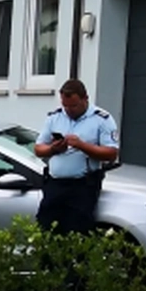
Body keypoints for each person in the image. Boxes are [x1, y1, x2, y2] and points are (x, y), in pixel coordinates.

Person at [34, 78, 119, 234]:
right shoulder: (55, 117)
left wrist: (81, 145)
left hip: (82, 187)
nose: (69, 110)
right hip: (55, 185)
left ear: (85, 99)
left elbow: (111, 153)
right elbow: (38, 149)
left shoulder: (102, 119)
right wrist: (53, 149)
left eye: (73, 105)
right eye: (65, 105)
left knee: (77, 231)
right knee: (47, 229)